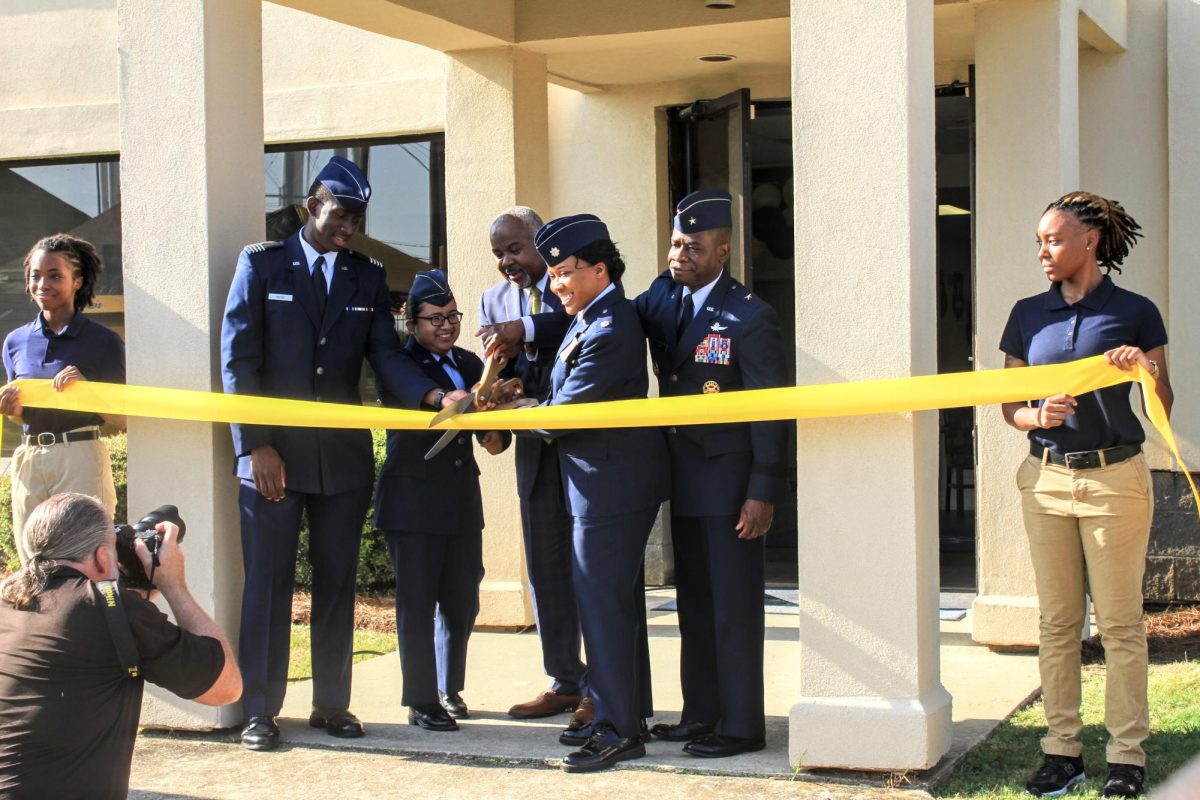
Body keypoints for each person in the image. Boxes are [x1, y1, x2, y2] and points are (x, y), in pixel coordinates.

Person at [221, 156, 456, 751]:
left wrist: (433, 395)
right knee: (269, 584)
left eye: (356, 218)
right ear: (310, 208)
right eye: (339, 214)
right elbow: (238, 362)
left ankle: (331, 704)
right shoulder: (261, 265)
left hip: (342, 462)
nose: (348, 227)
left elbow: (386, 355)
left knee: (336, 583)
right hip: (274, 459)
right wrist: (256, 445)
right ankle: (260, 710)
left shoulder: (366, 276)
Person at [1000, 192, 1172, 799]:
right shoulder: (1027, 313)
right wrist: (1034, 415)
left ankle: (1126, 758)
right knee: (1058, 622)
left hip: (1114, 481)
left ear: (1090, 241)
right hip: (1044, 478)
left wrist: (1142, 373)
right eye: (1039, 242)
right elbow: (1008, 405)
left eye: (1053, 240)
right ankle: (1062, 751)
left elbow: (1162, 407)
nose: (1043, 252)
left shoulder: (1135, 311)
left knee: (1121, 624)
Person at [634, 189, 789, 758]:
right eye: (675, 244)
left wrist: (763, 492)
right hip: (685, 481)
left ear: (723, 251)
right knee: (694, 604)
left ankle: (742, 725)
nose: (680, 255)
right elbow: (616, 312)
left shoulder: (750, 317)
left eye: (693, 247)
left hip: (731, 486)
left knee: (733, 608)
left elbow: (771, 409)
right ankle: (701, 714)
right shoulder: (665, 300)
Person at [520, 214, 668, 773]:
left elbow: (567, 410)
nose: (557, 285)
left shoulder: (609, 326)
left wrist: (509, 418)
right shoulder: (589, 318)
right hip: (599, 484)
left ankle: (617, 729)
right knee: (613, 606)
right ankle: (624, 714)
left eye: (565, 273)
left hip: (610, 487)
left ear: (600, 269)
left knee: (603, 608)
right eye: (553, 275)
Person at [0, 493, 241, 799]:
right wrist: (173, 585)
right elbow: (226, 687)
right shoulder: (110, 609)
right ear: (102, 557)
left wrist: (134, 595)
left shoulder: (9, 598)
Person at [374, 269, 509, 732]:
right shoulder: (400, 363)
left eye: (452, 316)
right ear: (412, 324)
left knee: (462, 597)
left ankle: (450, 689)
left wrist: (495, 429)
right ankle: (421, 699)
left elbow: (493, 431)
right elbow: (427, 401)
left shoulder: (471, 363)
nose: (446, 326)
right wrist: (452, 400)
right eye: (434, 319)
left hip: (460, 500)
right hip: (412, 500)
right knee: (417, 601)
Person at [477, 207, 589, 727]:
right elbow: (510, 369)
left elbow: (574, 320)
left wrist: (522, 328)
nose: (507, 263)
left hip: (585, 453)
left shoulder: (574, 278)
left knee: (589, 573)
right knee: (545, 571)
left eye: (515, 249)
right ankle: (565, 681)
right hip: (533, 453)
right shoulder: (494, 301)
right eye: (499, 254)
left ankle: (602, 686)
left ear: (540, 244)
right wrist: (500, 389)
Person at [1, 234, 126, 565]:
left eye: (55, 275)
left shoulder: (103, 342)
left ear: (77, 282)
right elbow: (22, 415)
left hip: (79, 456)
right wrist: (13, 412)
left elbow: (125, 418)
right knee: (33, 560)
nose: (43, 283)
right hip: (29, 457)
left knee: (85, 557)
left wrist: (87, 391)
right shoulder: (15, 342)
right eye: (36, 275)